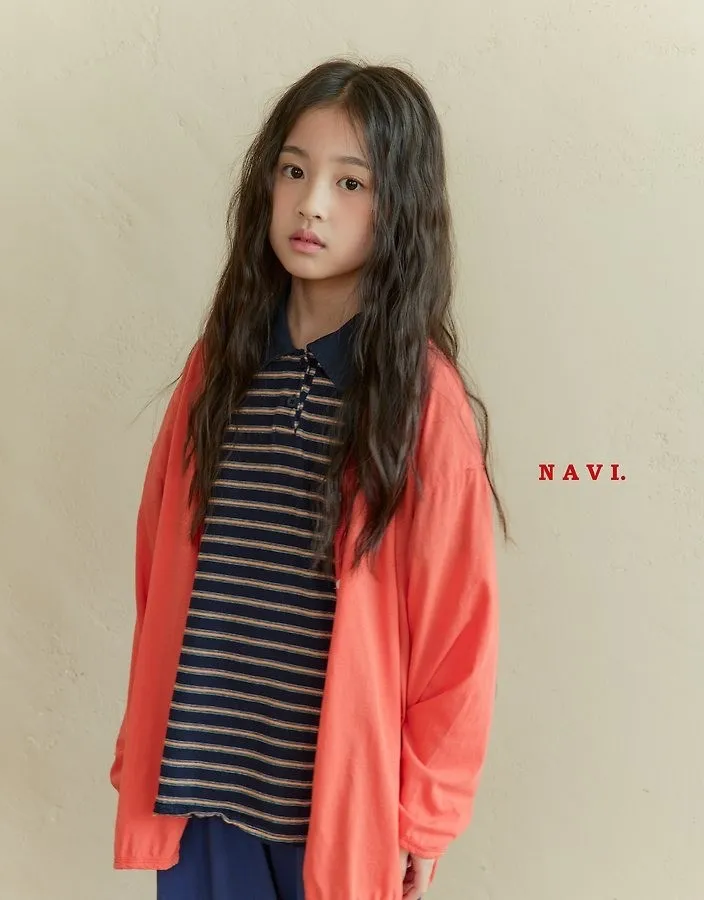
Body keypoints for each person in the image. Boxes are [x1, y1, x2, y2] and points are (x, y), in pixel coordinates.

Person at [109, 56, 510, 900]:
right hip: (200, 783)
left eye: (350, 182)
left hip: (332, 811)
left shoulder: (418, 401)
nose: (312, 203)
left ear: (399, 209)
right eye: (293, 171)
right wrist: (140, 739)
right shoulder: (220, 367)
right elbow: (159, 563)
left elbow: (457, 632)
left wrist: (425, 814)